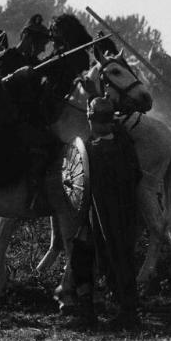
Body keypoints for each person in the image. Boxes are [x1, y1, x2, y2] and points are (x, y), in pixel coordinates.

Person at [68, 96, 141, 328]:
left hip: (115, 218)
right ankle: (87, 310)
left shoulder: (115, 147)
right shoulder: (100, 145)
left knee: (117, 260)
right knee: (81, 255)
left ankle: (127, 312)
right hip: (94, 216)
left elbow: (132, 177)